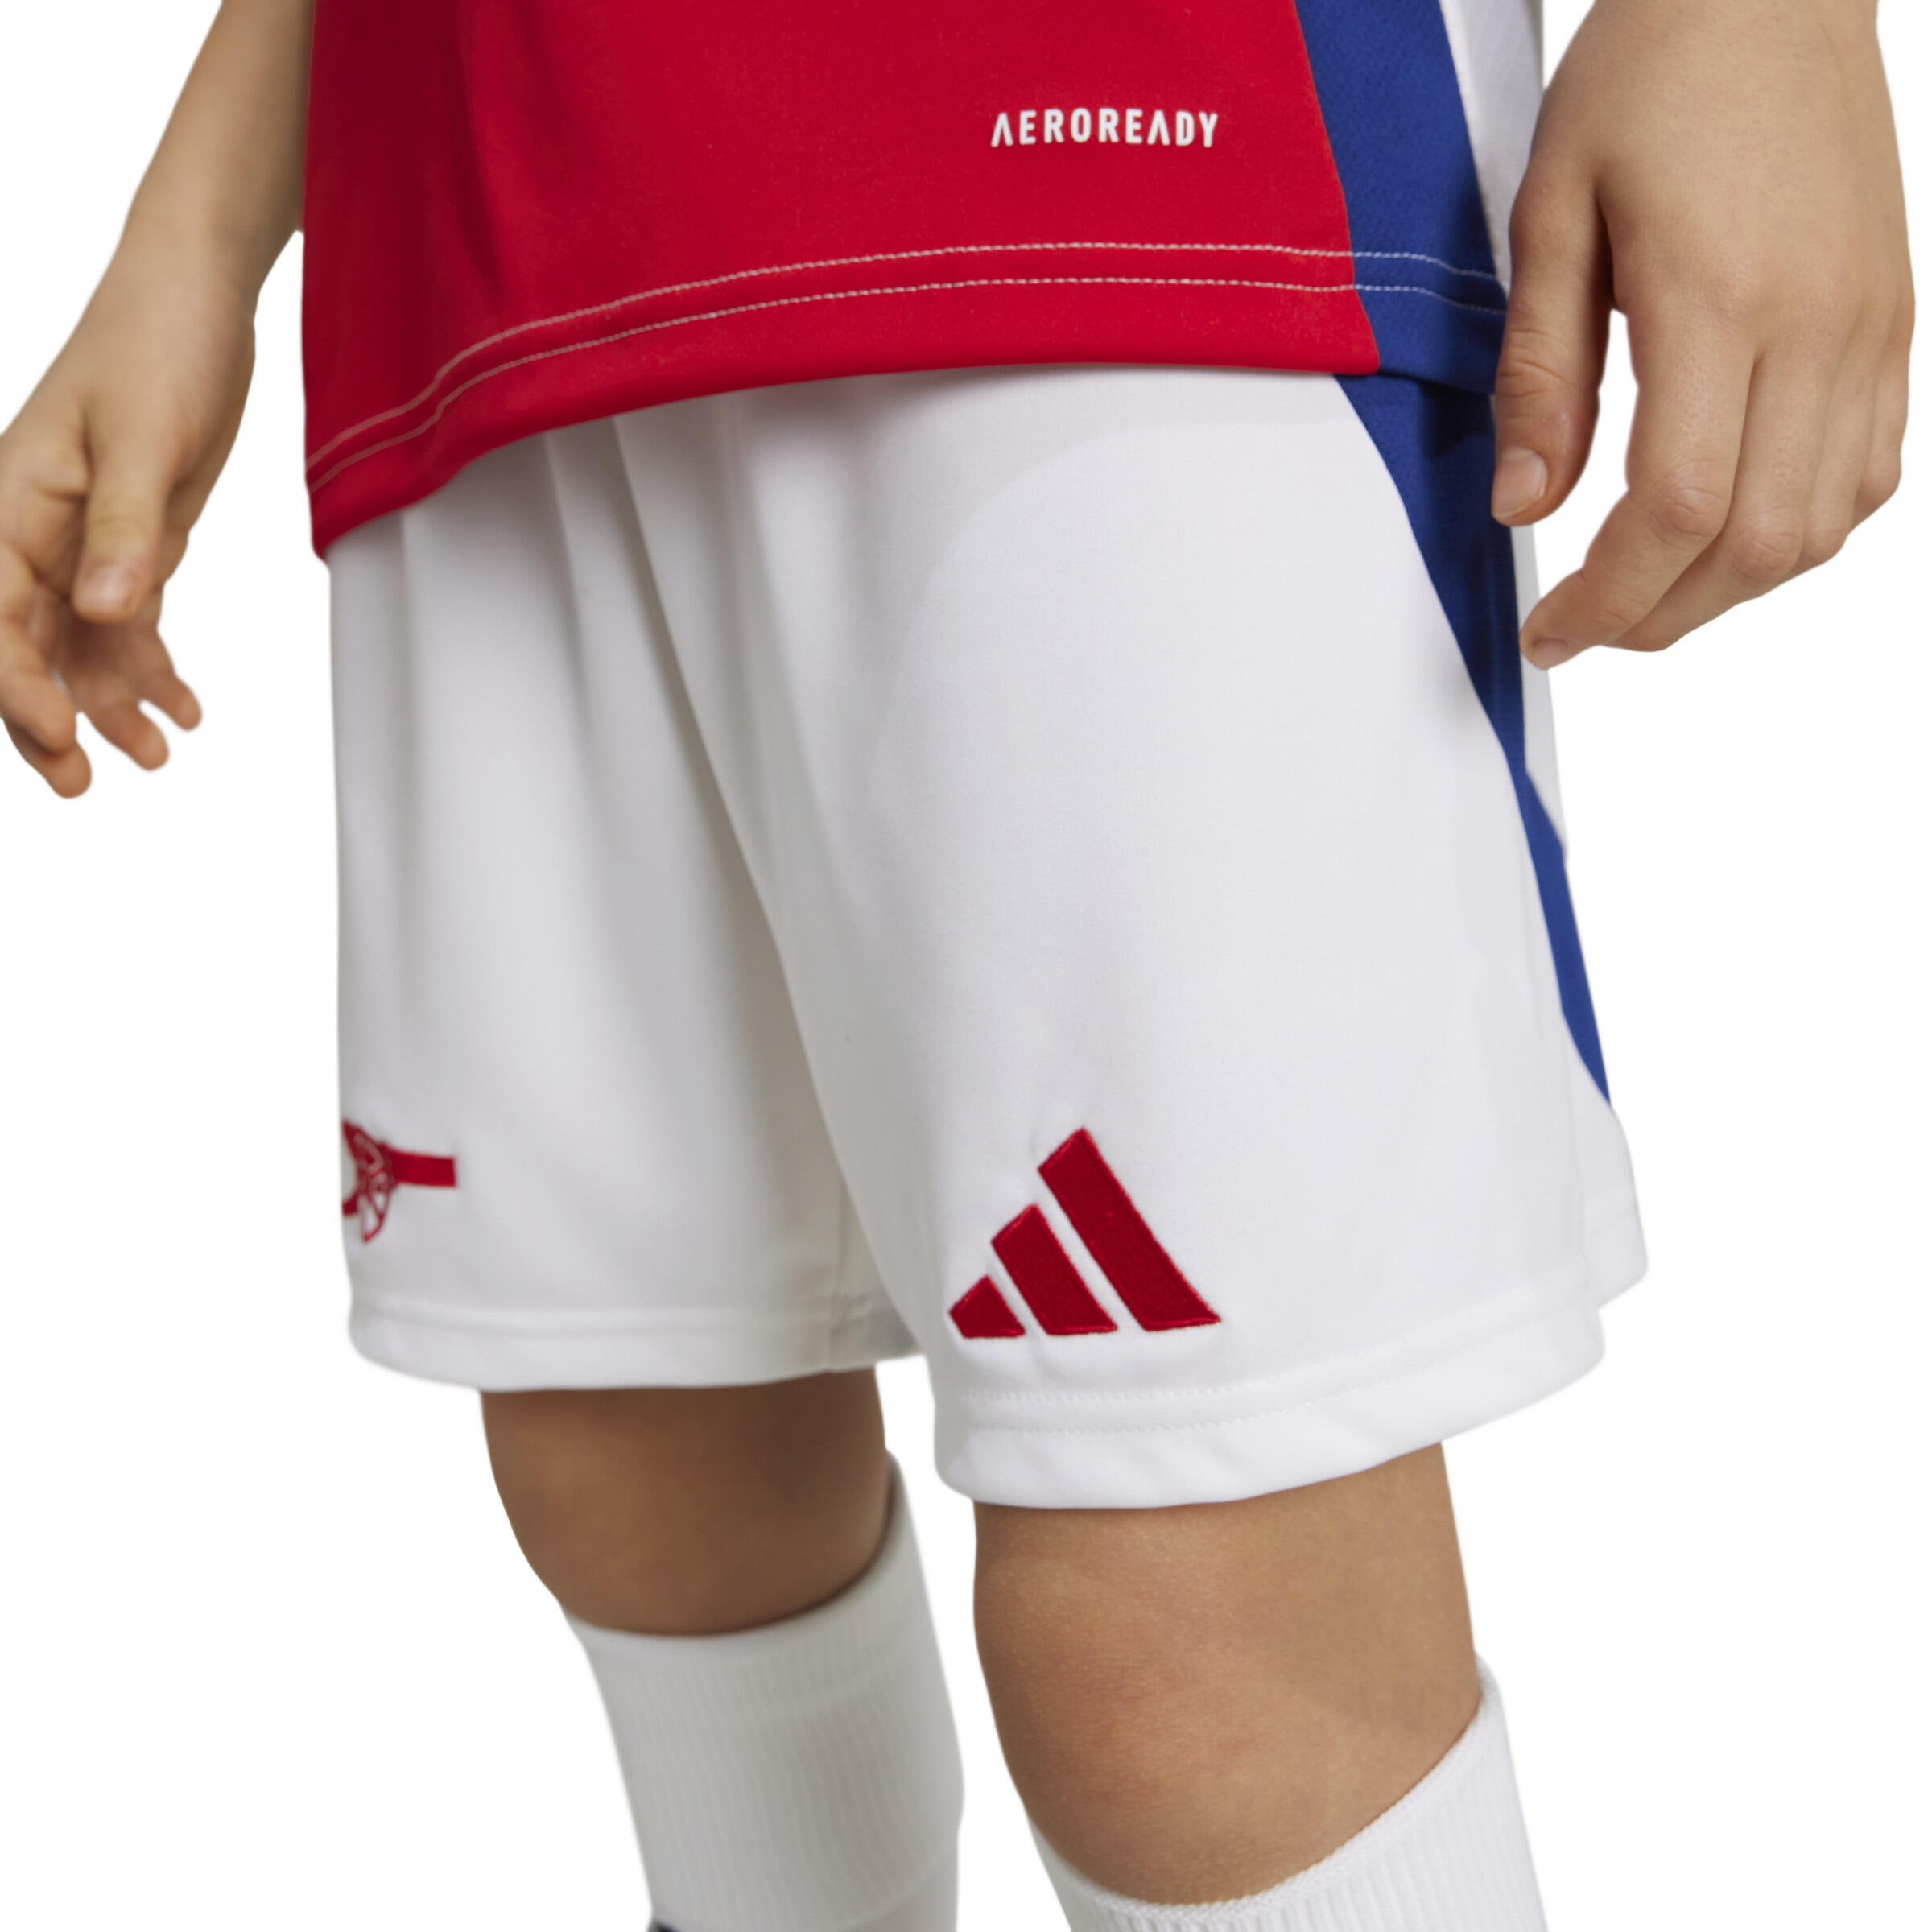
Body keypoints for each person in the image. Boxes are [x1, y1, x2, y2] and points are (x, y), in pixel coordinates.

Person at [0, 2, 1909, 1928]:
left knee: (1188, 1610)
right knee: (641, 1457)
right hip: (472, 238)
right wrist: (200, 229)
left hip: (1119, 151)